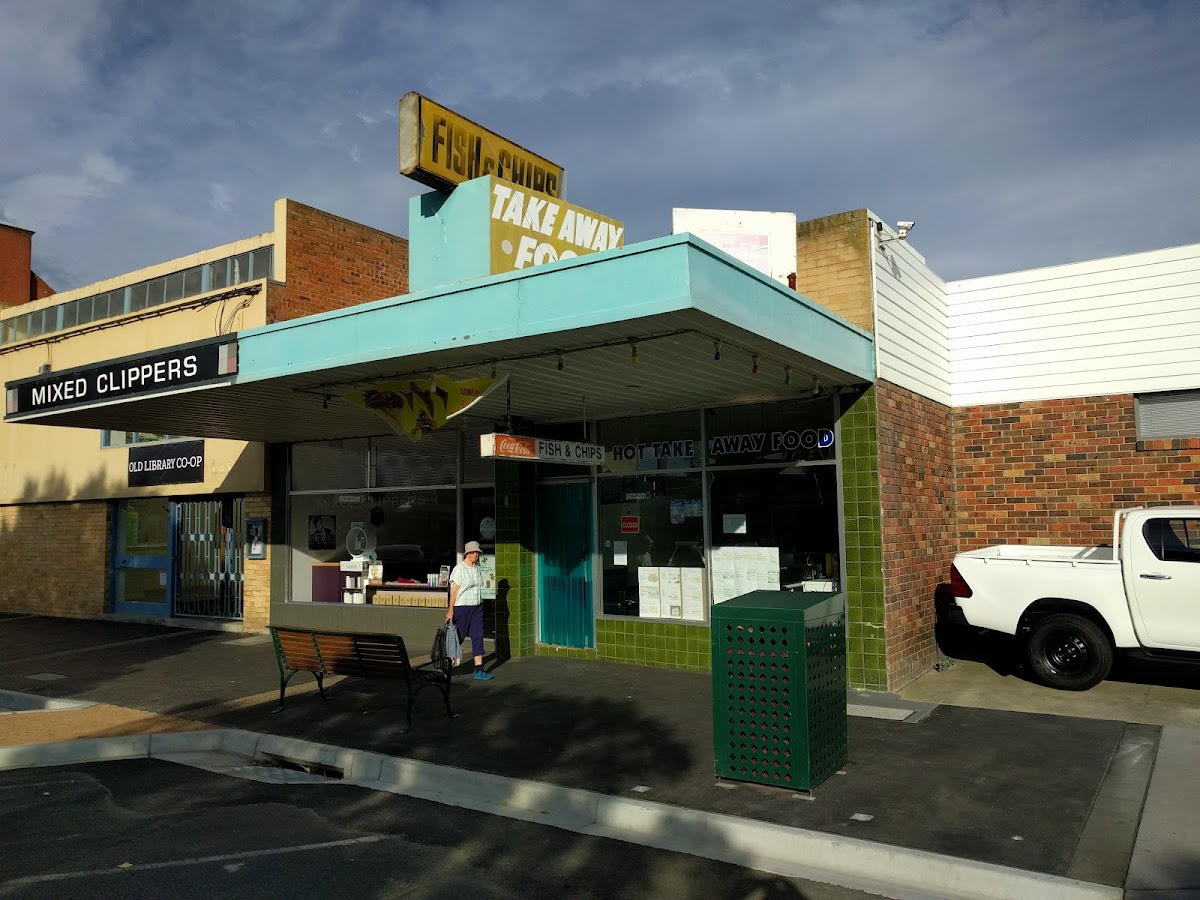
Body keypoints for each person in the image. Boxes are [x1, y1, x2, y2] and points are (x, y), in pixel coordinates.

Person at [446, 540, 492, 680]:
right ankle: (445, 665)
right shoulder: (459, 569)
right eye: (473, 552)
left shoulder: (477, 567)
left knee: (478, 636)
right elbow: (454, 591)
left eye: (477, 552)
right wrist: (450, 610)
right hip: (462, 607)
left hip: (477, 606)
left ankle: (479, 669)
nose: (475, 555)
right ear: (467, 554)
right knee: (457, 637)